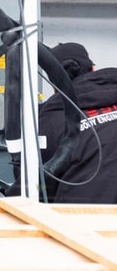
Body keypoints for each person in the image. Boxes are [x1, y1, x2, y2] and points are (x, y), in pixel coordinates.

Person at [39, 42, 117, 202]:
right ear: (93, 68)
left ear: (53, 84)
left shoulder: (49, 121)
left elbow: (39, 183)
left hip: (78, 219)